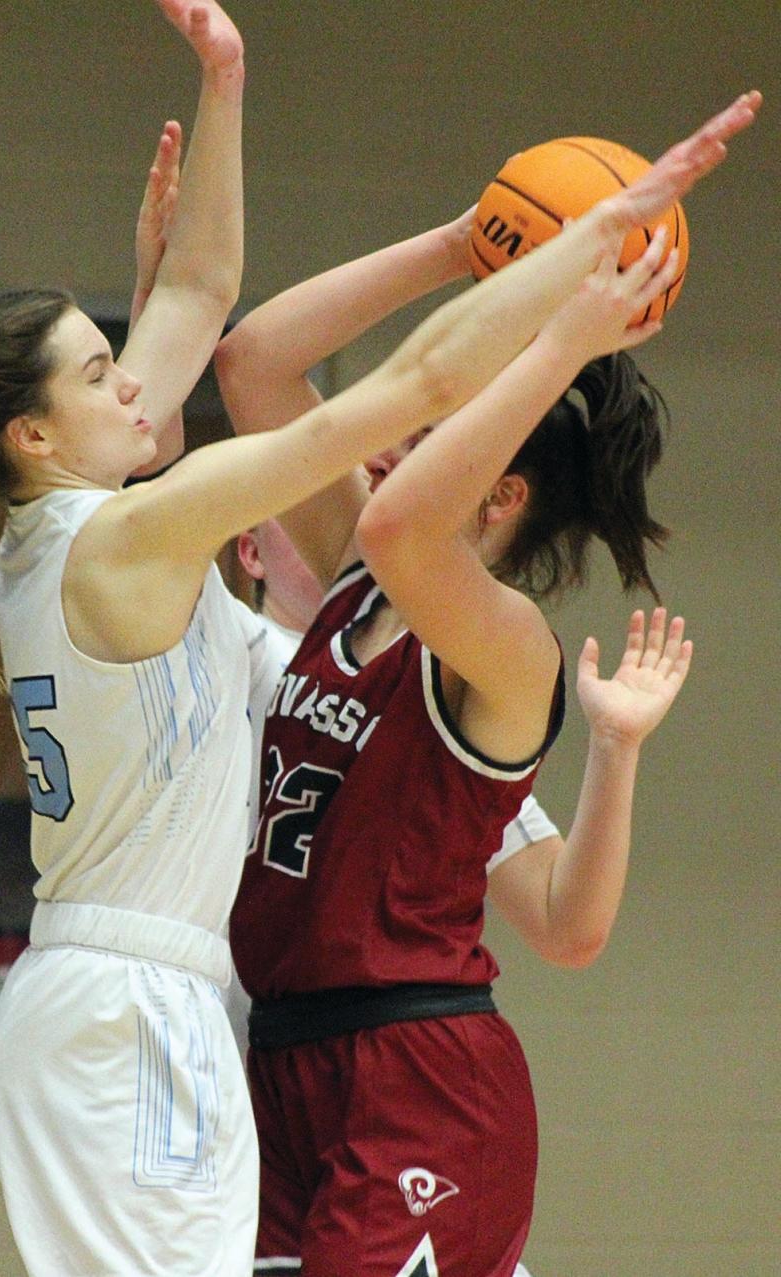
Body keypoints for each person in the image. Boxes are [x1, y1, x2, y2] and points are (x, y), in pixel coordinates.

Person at [0, 51, 758, 1274]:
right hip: (192, 1015)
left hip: (340, 1053)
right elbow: (330, 385)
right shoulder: (164, 543)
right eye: (96, 373)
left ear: (498, 489)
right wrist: (565, 264)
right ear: (34, 433)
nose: (131, 384)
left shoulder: (443, 624)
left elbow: (206, 304)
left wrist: (226, 82)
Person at [215, 97, 760, 1275]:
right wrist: (481, 240)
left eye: (435, 427)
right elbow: (254, 361)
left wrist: (561, 332)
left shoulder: (505, 647)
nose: (393, 431)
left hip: (417, 1080)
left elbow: (412, 524)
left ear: (502, 495)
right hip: (288, 1062)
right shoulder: (363, 586)